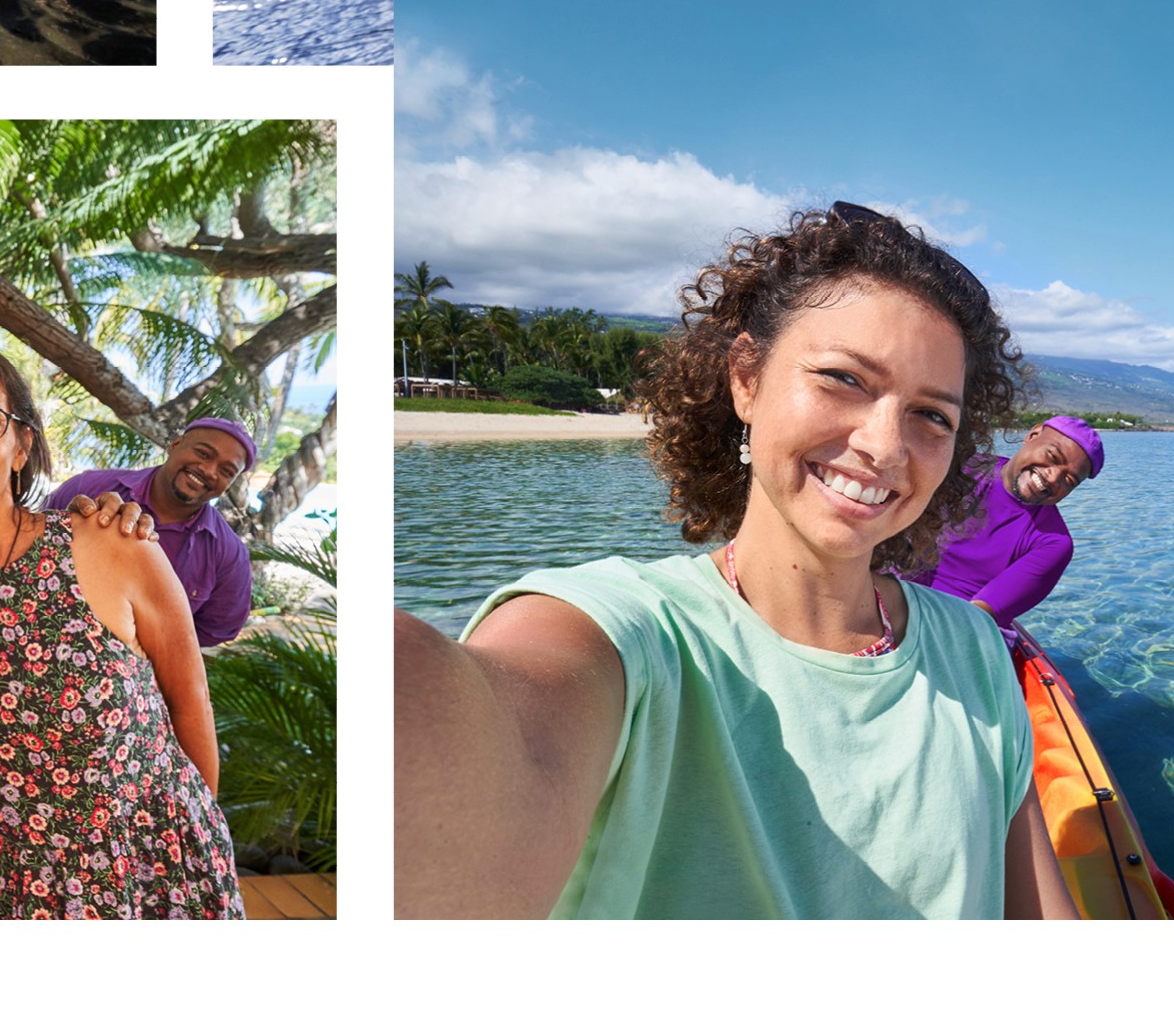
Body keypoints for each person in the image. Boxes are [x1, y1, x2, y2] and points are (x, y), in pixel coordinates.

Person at [394, 204, 1078, 919]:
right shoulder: (635, 639)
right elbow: (470, 721)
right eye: (844, 379)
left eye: (933, 415)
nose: (885, 446)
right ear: (745, 379)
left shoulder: (973, 656)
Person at [0, 342, 242, 920]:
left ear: (20, 446)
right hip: (9, 879)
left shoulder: (109, 543)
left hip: (150, 865)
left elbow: (192, 699)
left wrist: (197, 836)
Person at [42, 413, 260, 647]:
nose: (209, 471)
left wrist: (143, 648)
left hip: (129, 674)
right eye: (203, 453)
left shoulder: (229, 555)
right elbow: (23, 548)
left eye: (227, 471)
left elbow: (215, 631)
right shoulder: (88, 488)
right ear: (175, 445)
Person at [922, 416, 1105, 640]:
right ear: (1032, 435)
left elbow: (977, 615)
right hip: (884, 595)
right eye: (1052, 457)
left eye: (1069, 480)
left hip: (956, 632)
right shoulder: (957, 469)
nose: (1053, 478)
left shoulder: (1053, 543)